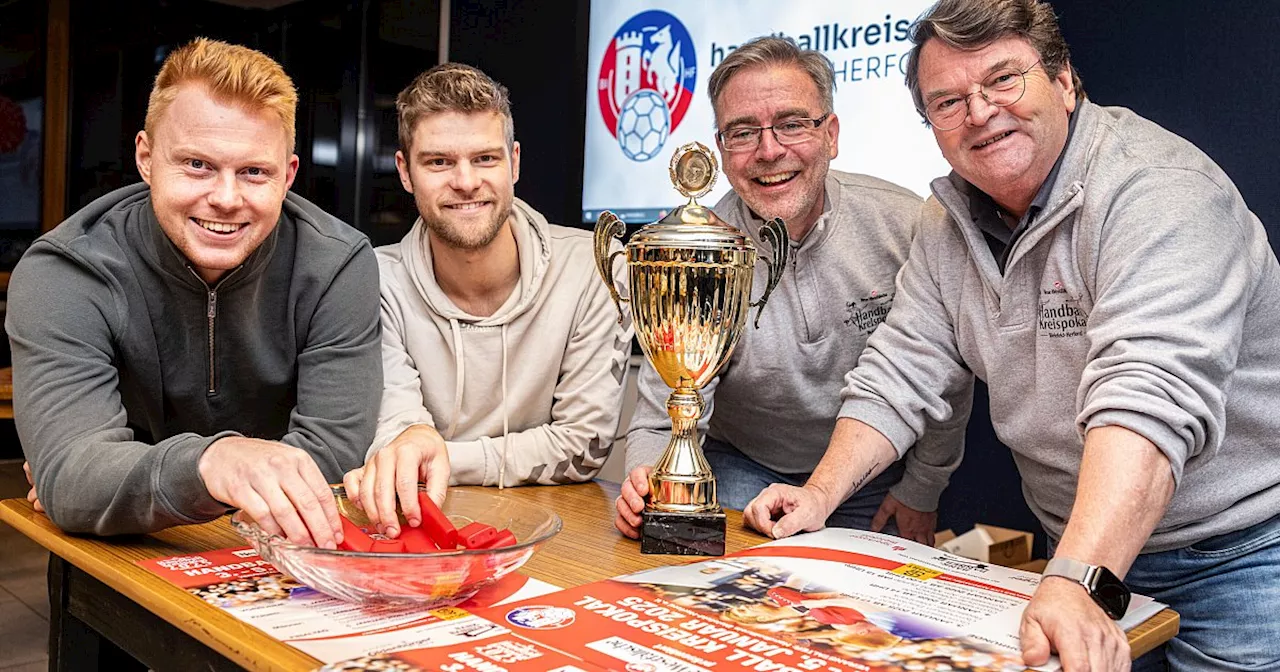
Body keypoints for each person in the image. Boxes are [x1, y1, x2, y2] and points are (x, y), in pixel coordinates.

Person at [744, 1, 1280, 669]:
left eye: (1003, 80)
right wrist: (820, 494)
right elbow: (901, 368)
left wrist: (1078, 578)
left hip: (1236, 557)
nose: (979, 112)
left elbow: (1150, 398)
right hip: (1085, 551)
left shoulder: (1159, 190)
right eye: (948, 101)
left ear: (1063, 81)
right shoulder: (947, 223)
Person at [7, 38, 381, 548]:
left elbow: (336, 453)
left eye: (254, 172)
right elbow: (76, 476)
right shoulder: (65, 270)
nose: (226, 199)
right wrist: (213, 462)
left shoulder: (339, 262)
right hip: (119, 557)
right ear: (146, 157)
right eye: (197, 165)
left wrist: (110, 486)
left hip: (292, 557)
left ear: (288, 176)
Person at [615, 36, 973, 546]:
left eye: (791, 124)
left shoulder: (905, 222)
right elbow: (664, 409)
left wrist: (923, 488)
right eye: (743, 132)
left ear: (830, 134)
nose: (768, 151)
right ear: (720, 150)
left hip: (874, 475)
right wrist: (648, 485)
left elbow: (946, 376)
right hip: (744, 465)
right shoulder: (695, 252)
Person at [342, 63, 631, 537]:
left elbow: (582, 447)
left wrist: (438, 456)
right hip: (418, 526)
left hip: (555, 526)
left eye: (485, 159)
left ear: (514, 163)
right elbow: (398, 430)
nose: (466, 181)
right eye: (438, 162)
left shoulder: (596, 266)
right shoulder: (372, 278)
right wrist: (411, 448)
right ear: (405, 172)